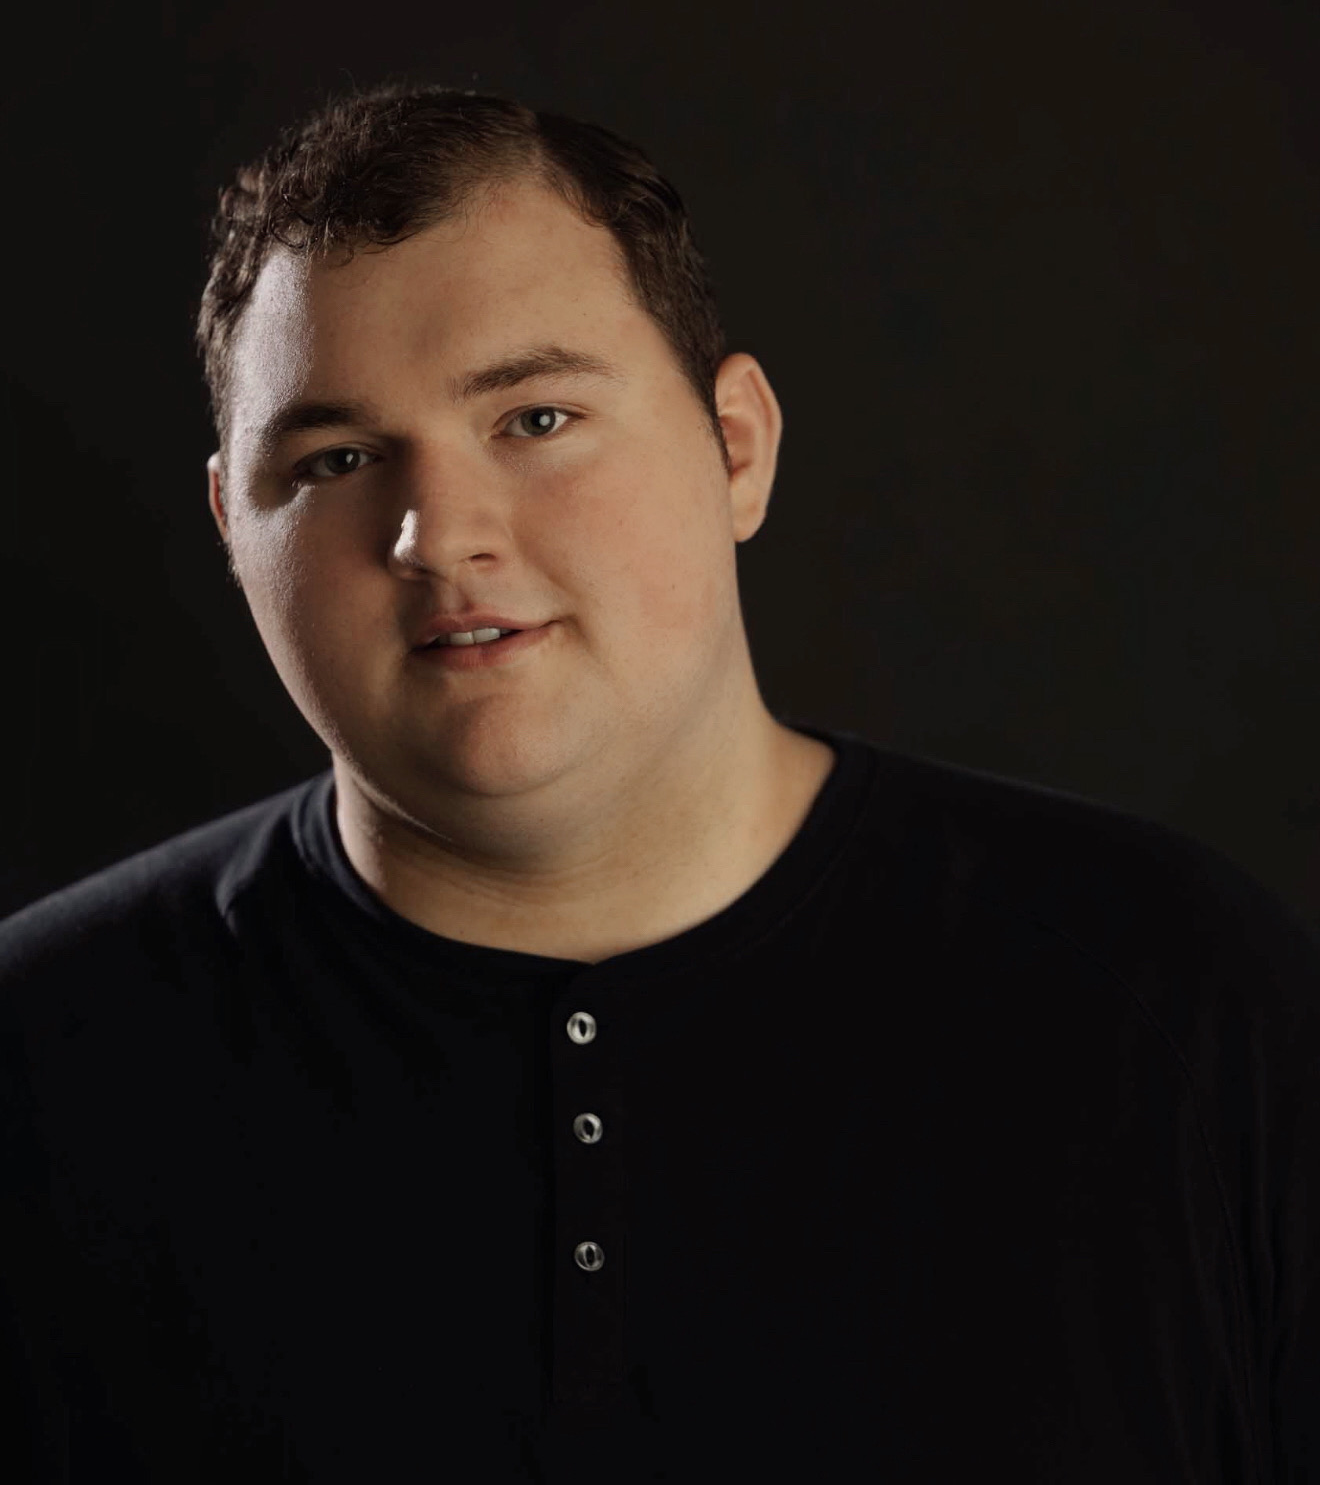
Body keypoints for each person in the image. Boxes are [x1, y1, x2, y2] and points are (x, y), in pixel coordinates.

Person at [1, 83, 1316, 1484]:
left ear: (737, 444)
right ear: (229, 524)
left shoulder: (1177, 1003)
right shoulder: (38, 1066)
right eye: (336, 459)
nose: (437, 534)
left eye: (536, 417)